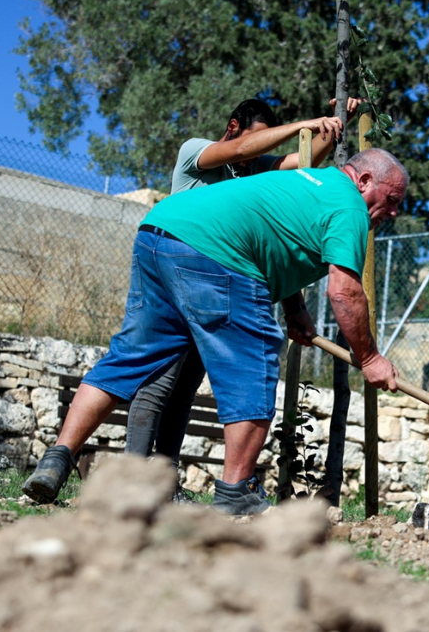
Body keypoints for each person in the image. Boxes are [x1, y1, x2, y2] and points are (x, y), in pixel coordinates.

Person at [23, 148, 407, 514]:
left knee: (131, 358)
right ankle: (235, 491)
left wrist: (296, 310)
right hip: (215, 252)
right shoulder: (349, 206)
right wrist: (370, 358)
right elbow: (345, 291)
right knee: (253, 363)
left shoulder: (310, 182)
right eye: (391, 199)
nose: (392, 212)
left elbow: (277, 240)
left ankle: (57, 458)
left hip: (162, 230)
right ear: (364, 180)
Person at [124, 98, 359, 497]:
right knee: (158, 382)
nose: (261, 153)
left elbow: (300, 164)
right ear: (233, 127)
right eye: (258, 140)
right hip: (182, 274)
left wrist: (336, 124)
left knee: (183, 391)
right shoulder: (197, 152)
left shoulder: (255, 170)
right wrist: (302, 124)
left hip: (218, 292)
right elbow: (238, 150)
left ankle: (161, 483)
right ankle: (132, 479)